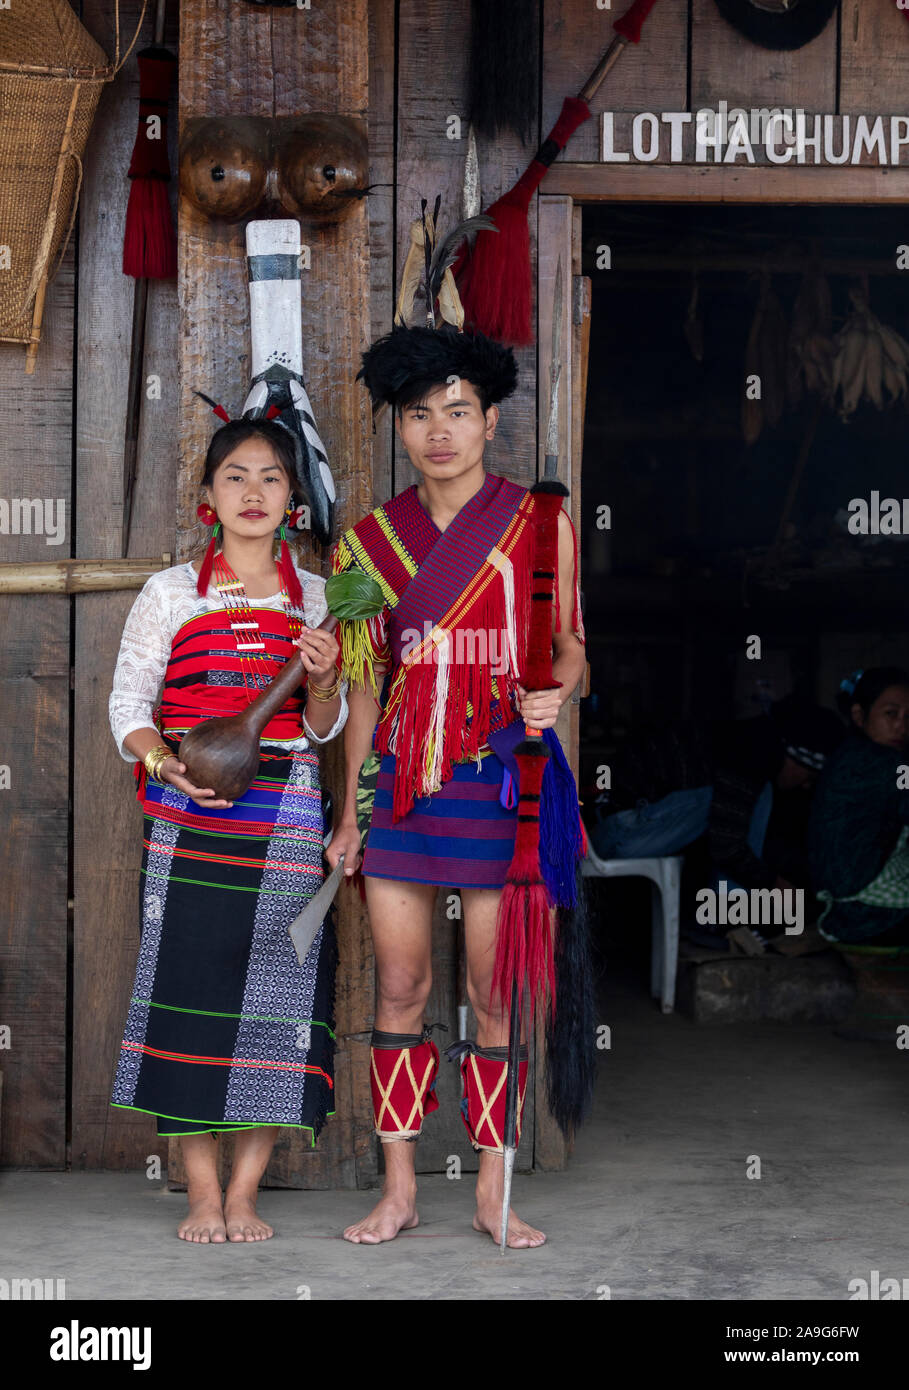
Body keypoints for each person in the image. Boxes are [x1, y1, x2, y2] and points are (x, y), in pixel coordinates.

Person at [325, 324, 588, 1249]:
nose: (439, 429)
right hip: (400, 785)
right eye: (419, 414)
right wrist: (353, 809)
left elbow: (570, 650)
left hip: (502, 779)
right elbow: (363, 688)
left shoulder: (539, 521)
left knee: (495, 992)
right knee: (398, 983)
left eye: (458, 411)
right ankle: (399, 1189)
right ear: (401, 428)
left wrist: (556, 689)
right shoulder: (366, 543)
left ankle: (491, 1190)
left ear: (489, 421)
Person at [108, 418, 348, 1244]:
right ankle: (199, 1194)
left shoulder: (317, 598)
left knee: (276, 1002)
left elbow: (324, 730)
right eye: (236, 477)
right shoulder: (172, 593)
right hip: (186, 808)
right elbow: (129, 709)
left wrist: (321, 682)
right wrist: (160, 763)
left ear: (293, 500)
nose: (253, 492)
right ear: (207, 497)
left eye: (272, 478)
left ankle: (245, 1193)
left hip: (284, 813)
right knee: (187, 996)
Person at [591, 696, 845, 902]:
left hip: (617, 829)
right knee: (754, 803)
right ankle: (729, 913)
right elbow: (728, 848)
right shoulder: (749, 756)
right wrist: (776, 885)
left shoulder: (739, 742)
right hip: (615, 834)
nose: (806, 785)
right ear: (792, 757)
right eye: (809, 775)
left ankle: (725, 911)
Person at [809, 667, 909, 944]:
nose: (902, 726)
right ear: (859, 716)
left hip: (842, 909)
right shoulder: (885, 763)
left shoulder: (848, 754)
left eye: (908, 717)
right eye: (891, 714)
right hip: (869, 913)